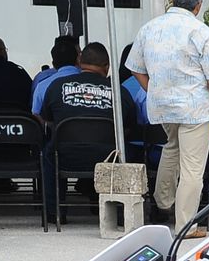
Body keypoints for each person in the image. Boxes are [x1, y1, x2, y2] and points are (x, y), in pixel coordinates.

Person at [130, 0, 209, 232]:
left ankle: (164, 200)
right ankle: (185, 226)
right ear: (198, 5)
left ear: (173, 2)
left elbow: (135, 68)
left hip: (163, 106)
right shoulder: (204, 34)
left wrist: (154, 89)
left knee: (172, 146)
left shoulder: (149, 28)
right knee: (192, 169)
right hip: (194, 108)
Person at [39, 42, 138, 221]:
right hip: (109, 157)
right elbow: (130, 125)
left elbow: (48, 120)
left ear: (79, 62)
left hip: (65, 156)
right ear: (107, 66)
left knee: (48, 153)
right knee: (129, 150)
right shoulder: (119, 91)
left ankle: (54, 213)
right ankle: (121, 212)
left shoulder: (57, 86)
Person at [30, 36, 81, 114]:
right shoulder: (93, 82)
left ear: (54, 64)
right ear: (77, 59)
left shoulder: (41, 86)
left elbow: (36, 116)